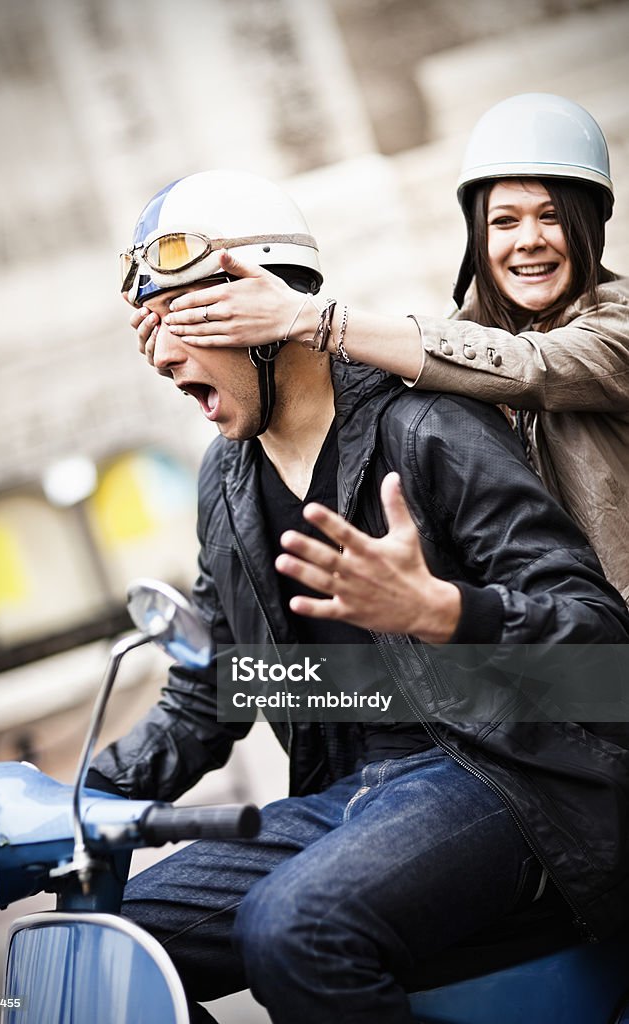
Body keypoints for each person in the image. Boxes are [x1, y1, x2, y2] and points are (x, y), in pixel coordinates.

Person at [90, 167, 629, 1024]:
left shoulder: (429, 426)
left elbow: (603, 652)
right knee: (101, 948)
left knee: (295, 927)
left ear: (262, 310)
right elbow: (218, 687)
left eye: (184, 318)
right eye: (144, 326)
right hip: (351, 793)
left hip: (506, 779)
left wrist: (445, 613)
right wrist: (83, 792)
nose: (159, 354)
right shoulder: (225, 477)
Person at [141, 94, 629, 606]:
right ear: (477, 234)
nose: (528, 240)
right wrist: (182, 338)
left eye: (551, 216)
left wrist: (309, 317)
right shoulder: (457, 340)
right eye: (504, 221)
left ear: (589, 224)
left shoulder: (617, 326)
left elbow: (530, 368)